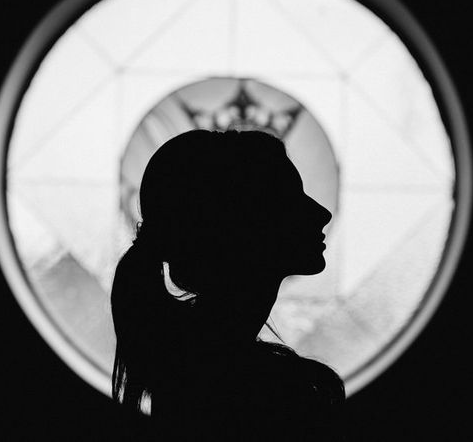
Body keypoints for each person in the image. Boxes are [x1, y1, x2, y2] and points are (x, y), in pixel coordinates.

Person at [111, 129, 344, 440]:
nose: (322, 213)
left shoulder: (192, 368)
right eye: (289, 199)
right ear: (244, 225)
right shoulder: (256, 393)